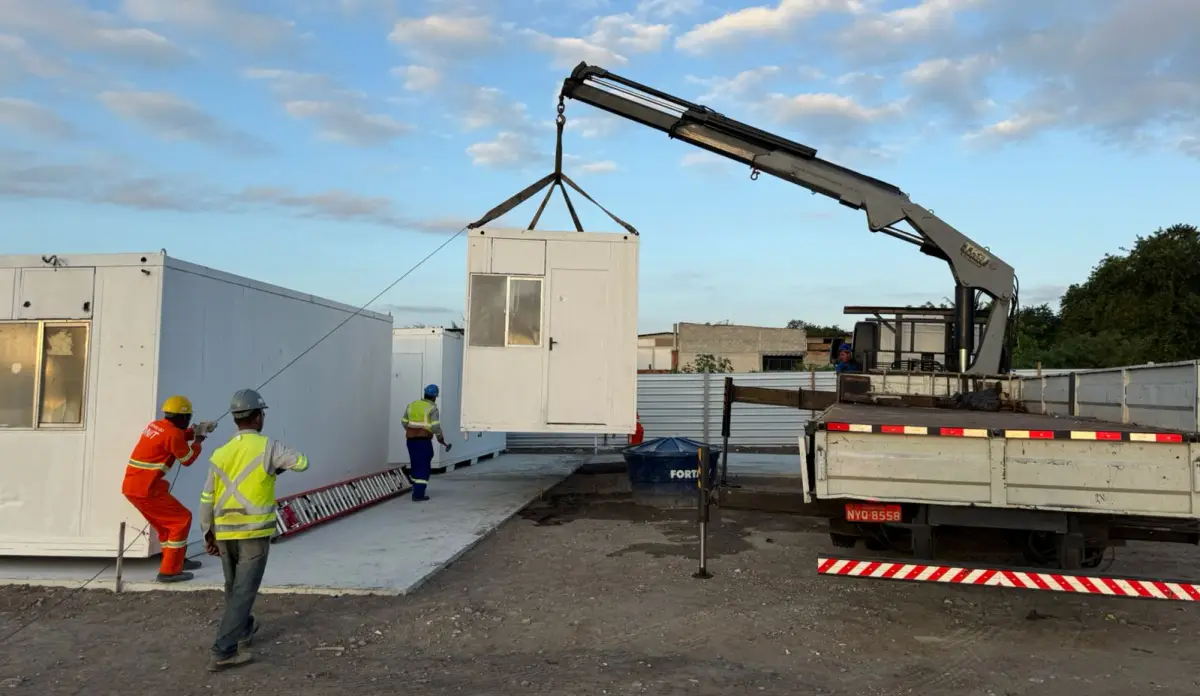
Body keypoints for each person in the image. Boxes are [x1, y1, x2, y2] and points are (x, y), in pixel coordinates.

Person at [198, 388, 309, 672]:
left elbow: (207, 496)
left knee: (234, 586)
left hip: (224, 531)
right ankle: (223, 651)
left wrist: (207, 531)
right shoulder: (268, 447)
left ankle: (244, 629)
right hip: (253, 533)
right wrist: (274, 467)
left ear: (236, 418)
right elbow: (302, 462)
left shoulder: (220, 453)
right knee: (244, 590)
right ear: (258, 417)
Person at [122, 394, 208, 583]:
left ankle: (175, 559)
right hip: (147, 490)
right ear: (183, 418)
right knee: (181, 520)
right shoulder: (172, 434)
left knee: (165, 526)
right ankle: (169, 571)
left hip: (135, 487)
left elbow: (173, 437)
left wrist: (193, 433)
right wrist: (198, 441)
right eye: (188, 418)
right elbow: (187, 460)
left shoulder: (156, 426)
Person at [401, 384, 450, 502]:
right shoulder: (432, 408)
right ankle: (418, 494)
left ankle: (416, 487)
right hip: (423, 441)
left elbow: (404, 422)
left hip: (411, 441)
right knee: (423, 467)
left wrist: (413, 431)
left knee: (416, 464)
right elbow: (435, 427)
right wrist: (440, 437)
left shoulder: (412, 405)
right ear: (434, 397)